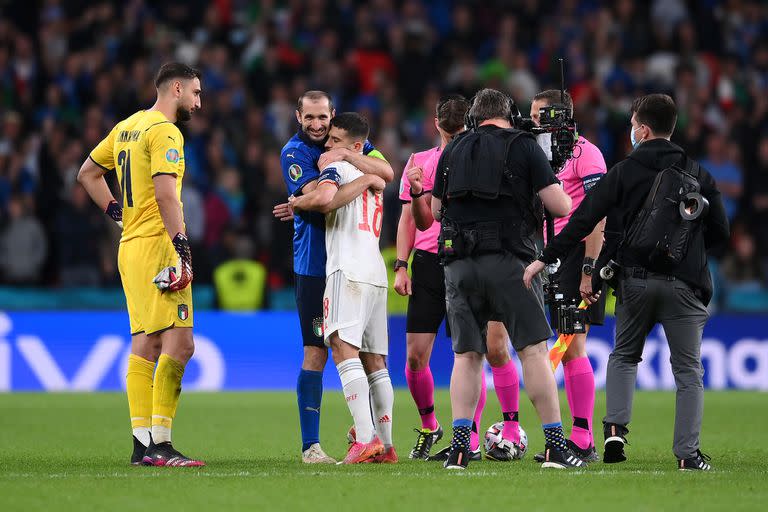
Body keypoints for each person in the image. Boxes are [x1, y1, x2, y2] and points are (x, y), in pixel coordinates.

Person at [524, 94, 730, 471]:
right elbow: (721, 232)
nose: (630, 130)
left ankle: (615, 429)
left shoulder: (624, 170)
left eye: (633, 123)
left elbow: (584, 218)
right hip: (685, 285)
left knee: (624, 357)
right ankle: (687, 454)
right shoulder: (699, 174)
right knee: (688, 371)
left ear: (644, 129)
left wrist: (545, 257)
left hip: (634, 282)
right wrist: (690, 251)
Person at [431, 88, 585, 470]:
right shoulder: (524, 145)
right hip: (510, 262)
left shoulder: (453, 149)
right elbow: (561, 206)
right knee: (532, 351)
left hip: (459, 264)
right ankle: (554, 445)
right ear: (510, 114)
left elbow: (436, 211)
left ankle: (460, 448)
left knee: (466, 357)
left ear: (473, 118)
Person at [77, 62, 204, 467]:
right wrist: (182, 246)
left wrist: (119, 215)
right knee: (181, 344)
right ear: (177, 89)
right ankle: (162, 446)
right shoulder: (166, 131)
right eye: (196, 93)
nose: (199, 103)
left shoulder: (127, 126)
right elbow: (167, 195)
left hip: (130, 248)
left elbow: (87, 174)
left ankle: (141, 443)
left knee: (145, 344)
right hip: (158, 247)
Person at [403, 95, 526, 463]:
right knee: (417, 356)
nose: (455, 135)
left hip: (473, 258)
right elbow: (419, 220)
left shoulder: (482, 157)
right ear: (437, 125)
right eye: (450, 128)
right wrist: (400, 263)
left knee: (487, 348)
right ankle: (434, 427)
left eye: (461, 129)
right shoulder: (422, 163)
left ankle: (485, 432)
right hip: (431, 261)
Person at [275, 91, 393, 464]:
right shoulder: (294, 152)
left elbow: (386, 172)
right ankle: (312, 446)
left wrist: (350, 162)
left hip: (345, 265)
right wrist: (367, 179)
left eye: (322, 118)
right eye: (309, 118)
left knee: (355, 352)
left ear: (333, 115)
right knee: (317, 352)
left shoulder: (343, 149)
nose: (317, 126)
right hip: (314, 264)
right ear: (298, 116)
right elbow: (318, 193)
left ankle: (369, 438)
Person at [528, 90, 608, 463]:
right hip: (543, 256)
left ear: (558, 115)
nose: (532, 121)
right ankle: (571, 434)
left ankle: (582, 437)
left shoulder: (586, 153)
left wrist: (589, 270)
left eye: (537, 115)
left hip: (577, 257)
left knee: (573, 344)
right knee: (554, 344)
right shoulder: (538, 153)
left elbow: (598, 215)